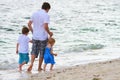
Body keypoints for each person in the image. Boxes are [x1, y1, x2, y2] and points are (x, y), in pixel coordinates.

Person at [27, 2, 53, 72]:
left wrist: (33, 32)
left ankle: (31, 64)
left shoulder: (34, 13)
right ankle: (39, 67)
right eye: (48, 10)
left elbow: (29, 24)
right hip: (43, 37)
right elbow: (45, 26)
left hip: (35, 36)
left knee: (33, 51)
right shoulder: (46, 15)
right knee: (42, 52)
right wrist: (49, 33)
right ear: (47, 8)